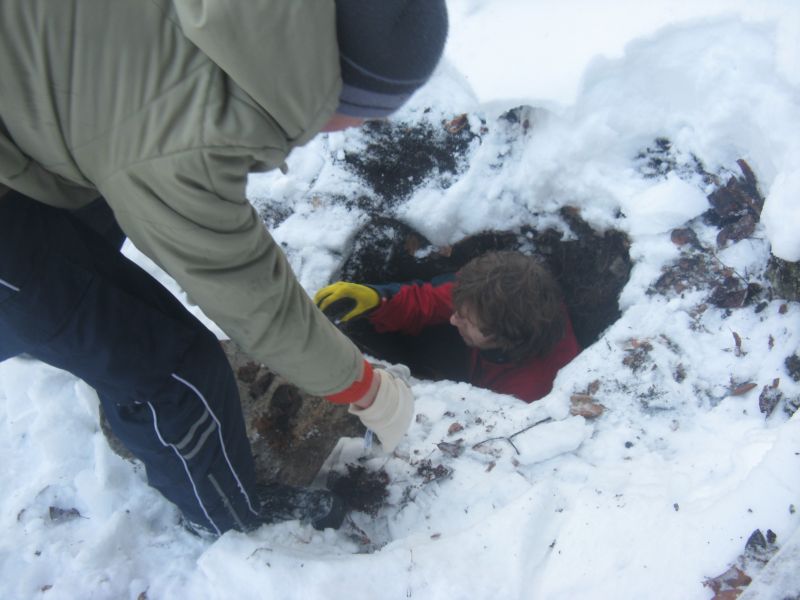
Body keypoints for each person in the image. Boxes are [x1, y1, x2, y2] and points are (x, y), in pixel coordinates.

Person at [0, 0, 448, 536]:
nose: (365, 125)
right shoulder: (183, 128)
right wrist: (366, 388)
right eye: (370, 112)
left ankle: (30, 324)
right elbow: (252, 296)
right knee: (173, 366)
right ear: (335, 90)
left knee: (85, 231)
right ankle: (229, 520)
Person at [315, 251, 580, 403]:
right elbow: (427, 301)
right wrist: (377, 300)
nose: (453, 320)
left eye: (466, 321)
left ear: (501, 338)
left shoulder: (530, 388)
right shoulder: (487, 290)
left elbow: (486, 417)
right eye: (458, 311)